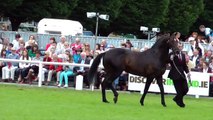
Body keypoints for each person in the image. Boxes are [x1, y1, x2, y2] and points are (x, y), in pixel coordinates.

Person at [168, 42, 191, 107]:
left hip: (182, 74)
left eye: (181, 46)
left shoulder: (183, 55)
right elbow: (167, 60)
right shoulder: (172, 54)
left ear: (182, 47)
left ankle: (176, 99)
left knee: (186, 89)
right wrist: (170, 58)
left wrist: (188, 72)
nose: (179, 47)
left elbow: (184, 65)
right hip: (175, 74)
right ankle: (180, 102)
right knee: (179, 91)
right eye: (178, 46)